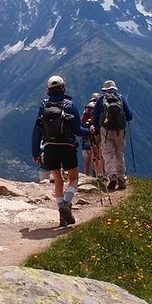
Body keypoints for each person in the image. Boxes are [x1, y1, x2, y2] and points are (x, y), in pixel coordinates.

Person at [31, 76, 88, 227]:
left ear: (48, 90)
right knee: (74, 178)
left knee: (58, 180)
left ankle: (61, 216)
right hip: (67, 146)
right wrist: (89, 131)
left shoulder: (44, 105)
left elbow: (37, 131)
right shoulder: (70, 105)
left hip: (49, 146)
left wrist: (35, 152)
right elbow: (77, 130)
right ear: (63, 87)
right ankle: (66, 205)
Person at [91, 80, 134, 190]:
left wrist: (95, 128)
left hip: (105, 131)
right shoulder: (121, 98)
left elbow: (95, 116)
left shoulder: (102, 99)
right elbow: (129, 116)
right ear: (115, 88)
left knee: (107, 154)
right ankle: (121, 178)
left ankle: (112, 175)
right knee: (119, 153)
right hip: (119, 131)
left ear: (105, 89)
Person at [80, 93, 101, 176]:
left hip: (86, 136)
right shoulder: (100, 108)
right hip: (96, 136)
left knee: (86, 160)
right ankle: (96, 174)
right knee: (96, 157)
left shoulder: (87, 108)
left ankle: (86, 176)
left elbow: (82, 123)